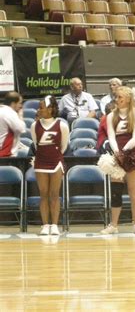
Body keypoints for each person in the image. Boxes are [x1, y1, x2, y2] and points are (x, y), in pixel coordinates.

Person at [101, 86, 135, 235]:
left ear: (128, 99)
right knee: (116, 191)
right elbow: (111, 137)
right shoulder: (111, 116)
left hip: (132, 154)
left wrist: (125, 152)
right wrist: (117, 153)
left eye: (120, 97)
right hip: (117, 155)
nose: (117, 100)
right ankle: (113, 225)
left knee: (134, 191)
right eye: (116, 97)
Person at [31, 96, 69, 235]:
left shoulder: (62, 125)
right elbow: (36, 144)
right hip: (40, 161)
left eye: (41, 107)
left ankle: (54, 225)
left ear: (51, 109)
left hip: (56, 161)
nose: (38, 110)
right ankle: (45, 225)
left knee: (54, 194)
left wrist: (55, 155)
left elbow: (64, 146)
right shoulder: (34, 125)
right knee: (43, 194)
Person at [0, 91, 25, 157]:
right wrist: (20, 115)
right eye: (20, 103)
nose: (21, 106)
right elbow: (21, 129)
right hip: (5, 154)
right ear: (13, 103)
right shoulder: (9, 113)